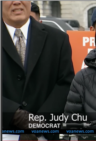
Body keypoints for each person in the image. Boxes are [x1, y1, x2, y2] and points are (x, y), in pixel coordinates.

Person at [2, 1, 75, 140]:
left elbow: (66, 83)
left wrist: (39, 123)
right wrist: (13, 114)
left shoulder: (58, 39)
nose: (17, 2)